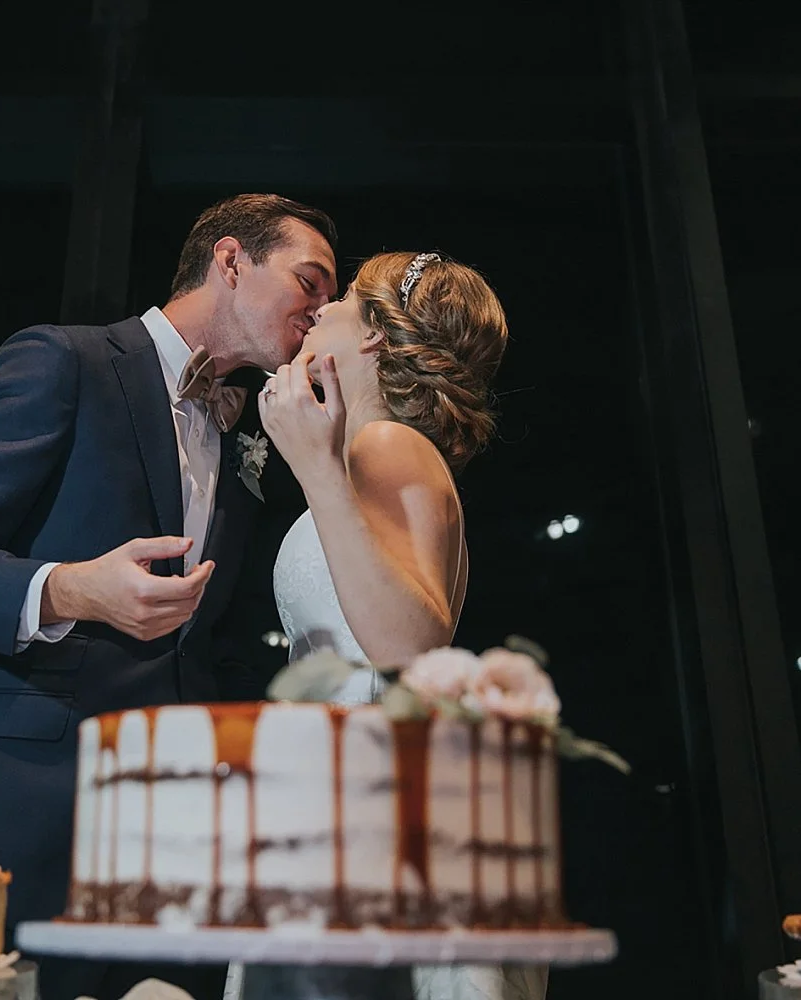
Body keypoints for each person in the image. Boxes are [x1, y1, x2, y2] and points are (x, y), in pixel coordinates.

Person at [0, 194, 338, 1000]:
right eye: (311, 281)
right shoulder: (62, 361)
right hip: (15, 800)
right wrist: (65, 590)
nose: (321, 311)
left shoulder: (245, 438)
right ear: (231, 261)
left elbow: (209, 642)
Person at [253, 251, 549, 1000]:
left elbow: (411, 645)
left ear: (376, 339)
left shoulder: (386, 447)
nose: (321, 310)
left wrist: (314, 469)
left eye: (346, 298)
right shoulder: (376, 453)